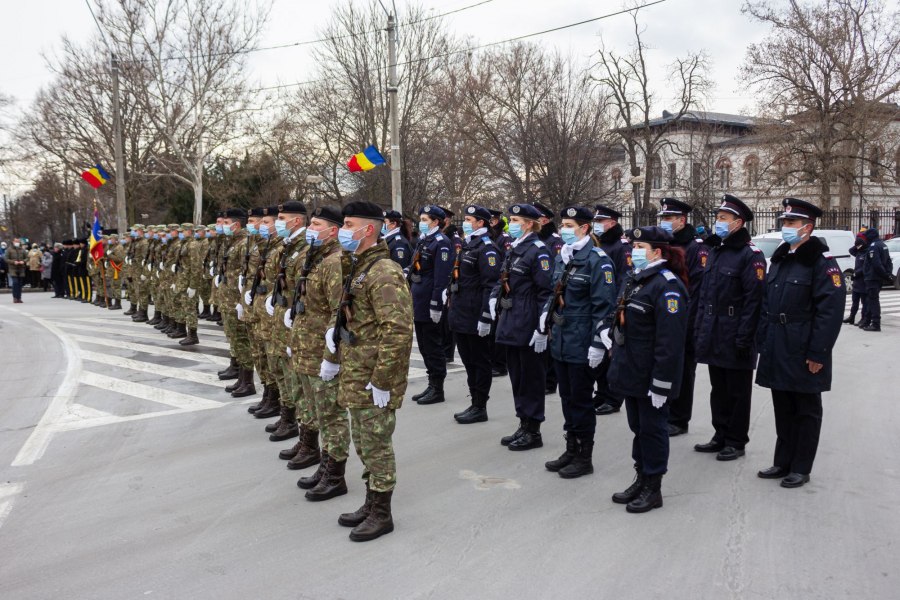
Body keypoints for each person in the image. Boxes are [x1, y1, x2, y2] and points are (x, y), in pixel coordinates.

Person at [328, 200, 414, 542]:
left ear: (368, 229)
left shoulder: (383, 271)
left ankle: (383, 512)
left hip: (373, 376)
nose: (343, 230)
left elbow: (398, 330)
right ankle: (370, 502)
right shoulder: (358, 265)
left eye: (348, 224)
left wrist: (382, 380)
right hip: (357, 371)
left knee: (377, 445)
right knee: (364, 442)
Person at [755, 198, 844, 488]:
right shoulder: (780, 260)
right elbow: (767, 304)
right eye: (784, 222)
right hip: (778, 344)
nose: (786, 227)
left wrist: (819, 351)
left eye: (791, 223)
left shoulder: (822, 263)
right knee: (783, 407)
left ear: (808, 227)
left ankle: (801, 467)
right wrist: (762, 340)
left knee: (805, 410)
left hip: (804, 346)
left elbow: (829, 313)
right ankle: (783, 462)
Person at [607, 226, 690, 513]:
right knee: (638, 428)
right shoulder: (637, 280)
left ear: (658, 251)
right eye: (633, 246)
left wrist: (662, 383)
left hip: (651, 375)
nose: (634, 251)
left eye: (640, 246)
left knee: (653, 430)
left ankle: (653, 487)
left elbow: (671, 342)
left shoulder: (667, 286)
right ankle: (641, 477)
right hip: (632, 369)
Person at [537, 206, 617, 478]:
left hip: (582, 342)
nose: (564, 230)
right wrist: (544, 319)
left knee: (581, 401)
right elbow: (554, 291)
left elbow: (604, 307)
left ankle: (584, 456)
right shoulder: (565, 256)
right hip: (561, 339)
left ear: (585, 228)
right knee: (567, 397)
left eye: (570, 225)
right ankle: (571, 449)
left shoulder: (598, 260)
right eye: (563, 225)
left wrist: (597, 343)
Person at [693, 195, 767, 461]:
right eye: (718, 218)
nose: (718, 223)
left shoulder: (750, 256)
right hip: (714, 329)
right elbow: (705, 296)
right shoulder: (716, 252)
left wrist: (745, 337)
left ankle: (736, 440)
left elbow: (754, 301)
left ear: (738, 223)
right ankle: (720, 434)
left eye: (723, 218)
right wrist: (700, 329)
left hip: (736, 331)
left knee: (737, 391)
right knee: (719, 388)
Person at [285, 206, 345, 488]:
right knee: (312, 406)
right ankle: (320, 462)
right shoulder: (315, 256)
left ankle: (334, 475)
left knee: (331, 415)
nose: (310, 229)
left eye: (316, 224)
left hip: (321, 351)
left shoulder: (334, 261)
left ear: (332, 230)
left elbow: (339, 314)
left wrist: (332, 357)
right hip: (305, 346)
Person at [490, 204, 554, 451]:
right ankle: (523, 422)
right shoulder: (514, 249)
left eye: (516, 219)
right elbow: (502, 278)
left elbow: (546, 292)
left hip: (528, 322)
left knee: (531, 378)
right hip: (510, 320)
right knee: (517, 377)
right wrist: (494, 296)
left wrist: (542, 327)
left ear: (529, 224)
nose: (511, 223)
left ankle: (534, 429)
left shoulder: (538, 251)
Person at [656, 198, 708, 437]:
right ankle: (664, 411)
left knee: (684, 370)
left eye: (668, 218)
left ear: (681, 220)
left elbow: (697, 288)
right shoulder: (662, 245)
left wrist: (690, 322)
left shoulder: (696, 248)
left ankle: (679, 418)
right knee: (664, 365)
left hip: (685, 320)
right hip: (662, 316)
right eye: (663, 218)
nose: (664, 222)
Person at [448, 205, 502, 424]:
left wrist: (485, 317)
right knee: (468, 361)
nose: (465, 222)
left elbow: (491, 285)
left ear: (481, 223)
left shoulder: (487, 248)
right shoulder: (470, 245)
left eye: (469, 219)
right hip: (461, 314)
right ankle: (474, 402)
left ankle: (481, 406)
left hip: (475, 315)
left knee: (480, 361)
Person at [408, 205, 452, 405]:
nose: (421, 222)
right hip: (418, 299)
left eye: (425, 219)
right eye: (421, 219)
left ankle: (438, 388)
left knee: (433, 346)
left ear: (436, 222)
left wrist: (436, 304)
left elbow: (441, 278)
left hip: (429, 300)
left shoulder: (441, 243)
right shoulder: (425, 240)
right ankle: (431, 383)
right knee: (424, 346)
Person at [592, 204, 633, 416]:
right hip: (596, 304)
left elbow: (625, 278)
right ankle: (601, 394)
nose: (596, 225)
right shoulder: (597, 243)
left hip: (611, 306)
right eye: (596, 221)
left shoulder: (621, 246)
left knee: (611, 356)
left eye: (600, 221)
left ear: (612, 223)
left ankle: (614, 398)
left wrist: (617, 307)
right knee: (599, 356)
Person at [220, 209, 257, 397]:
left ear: (236, 224)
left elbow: (247, 274)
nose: (223, 226)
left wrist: (242, 299)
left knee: (242, 341)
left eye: (226, 223)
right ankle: (242, 377)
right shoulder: (233, 242)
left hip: (236, 299)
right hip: (228, 298)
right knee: (234, 339)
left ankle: (248, 381)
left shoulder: (243, 244)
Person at [487, 208, 512, 379]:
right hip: (494, 285)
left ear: (495, 222)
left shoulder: (504, 238)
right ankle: (495, 362)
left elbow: (504, 263)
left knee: (498, 326)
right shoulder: (494, 237)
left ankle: (500, 364)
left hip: (501, 285)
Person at [861, 228, 890, 332]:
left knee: (873, 301)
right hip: (876, 277)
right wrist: (887, 273)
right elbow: (888, 261)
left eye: (866, 236)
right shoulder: (883, 245)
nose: (864, 238)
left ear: (870, 236)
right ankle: (866, 321)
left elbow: (876, 263)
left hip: (873, 277)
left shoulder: (874, 246)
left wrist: (884, 274)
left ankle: (876, 324)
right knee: (870, 299)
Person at [843, 234, 868, 325]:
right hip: (857, 280)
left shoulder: (866, 253)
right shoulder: (858, 252)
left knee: (864, 302)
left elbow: (865, 267)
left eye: (859, 245)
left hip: (863, 280)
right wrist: (857, 244)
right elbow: (851, 250)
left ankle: (863, 318)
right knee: (855, 300)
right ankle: (852, 317)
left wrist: (855, 274)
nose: (857, 247)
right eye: (856, 246)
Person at [6, 238, 27, 303]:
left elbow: (27, 257)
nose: (17, 243)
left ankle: (19, 297)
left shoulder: (22, 250)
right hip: (13, 268)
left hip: (21, 268)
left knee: (20, 284)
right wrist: (13, 262)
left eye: (18, 242)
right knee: (15, 282)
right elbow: (6, 259)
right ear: (13, 242)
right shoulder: (9, 250)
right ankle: (15, 297)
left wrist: (23, 261)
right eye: (16, 241)